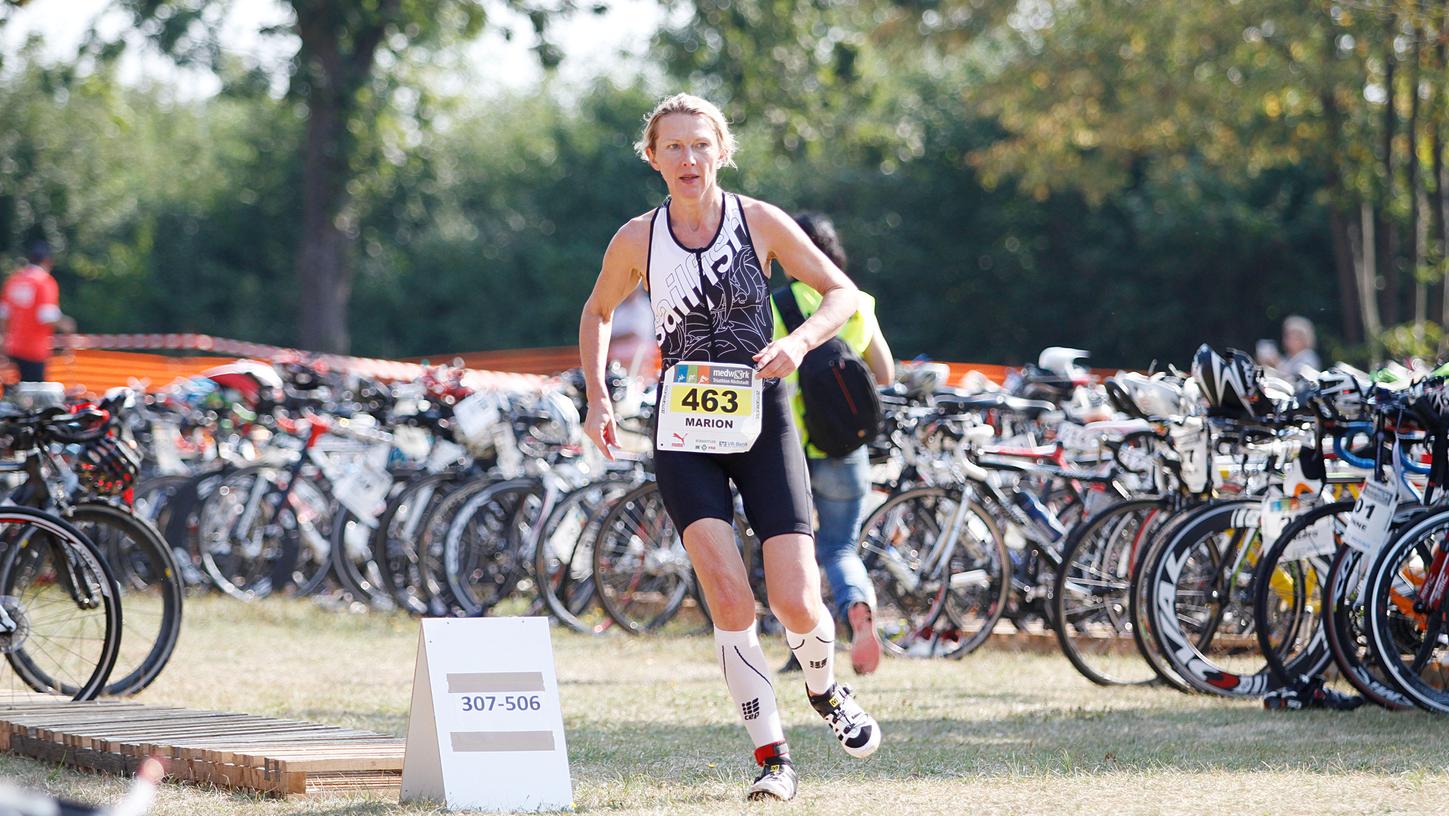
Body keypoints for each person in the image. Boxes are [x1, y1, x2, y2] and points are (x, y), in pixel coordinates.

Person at [579, 93, 881, 802]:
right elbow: (596, 311)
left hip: (762, 417)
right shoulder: (635, 239)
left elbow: (842, 293)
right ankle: (771, 756)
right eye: (673, 147)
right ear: (652, 157)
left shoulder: (759, 222)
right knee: (724, 588)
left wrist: (799, 342)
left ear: (721, 151)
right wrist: (598, 395)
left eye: (699, 145)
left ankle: (824, 689)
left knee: (798, 597)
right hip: (683, 427)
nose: (688, 158)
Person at [772, 213, 891, 676]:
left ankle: (801, 648)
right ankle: (857, 603)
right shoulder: (857, 301)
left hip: (794, 450)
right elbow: (884, 373)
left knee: (792, 551)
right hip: (847, 449)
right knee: (841, 548)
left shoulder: (780, 304)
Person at [0, 241, 73, 382]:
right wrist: (67, 325)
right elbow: (46, 315)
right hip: (34, 349)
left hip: (12, 347)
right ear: (47, 260)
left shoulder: (14, 280)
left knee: (14, 394)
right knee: (35, 395)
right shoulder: (44, 281)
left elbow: (4, 314)